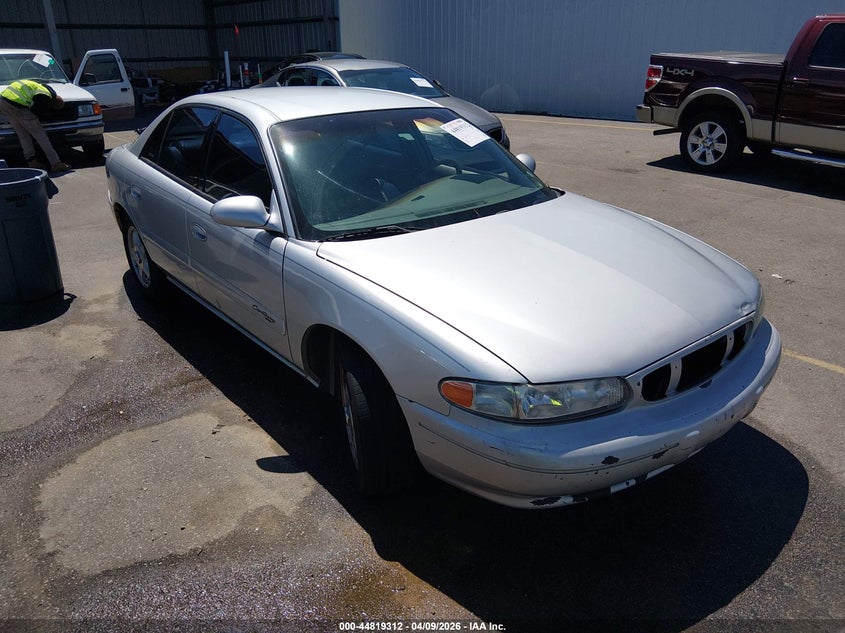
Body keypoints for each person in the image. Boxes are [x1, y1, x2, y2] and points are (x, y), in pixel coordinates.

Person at [0, 79, 71, 172]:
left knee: (23, 136)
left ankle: (32, 162)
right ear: (53, 104)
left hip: (3, 102)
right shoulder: (44, 96)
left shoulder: (39, 87)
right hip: (18, 105)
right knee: (41, 136)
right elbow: (37, 110)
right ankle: (56, 163)